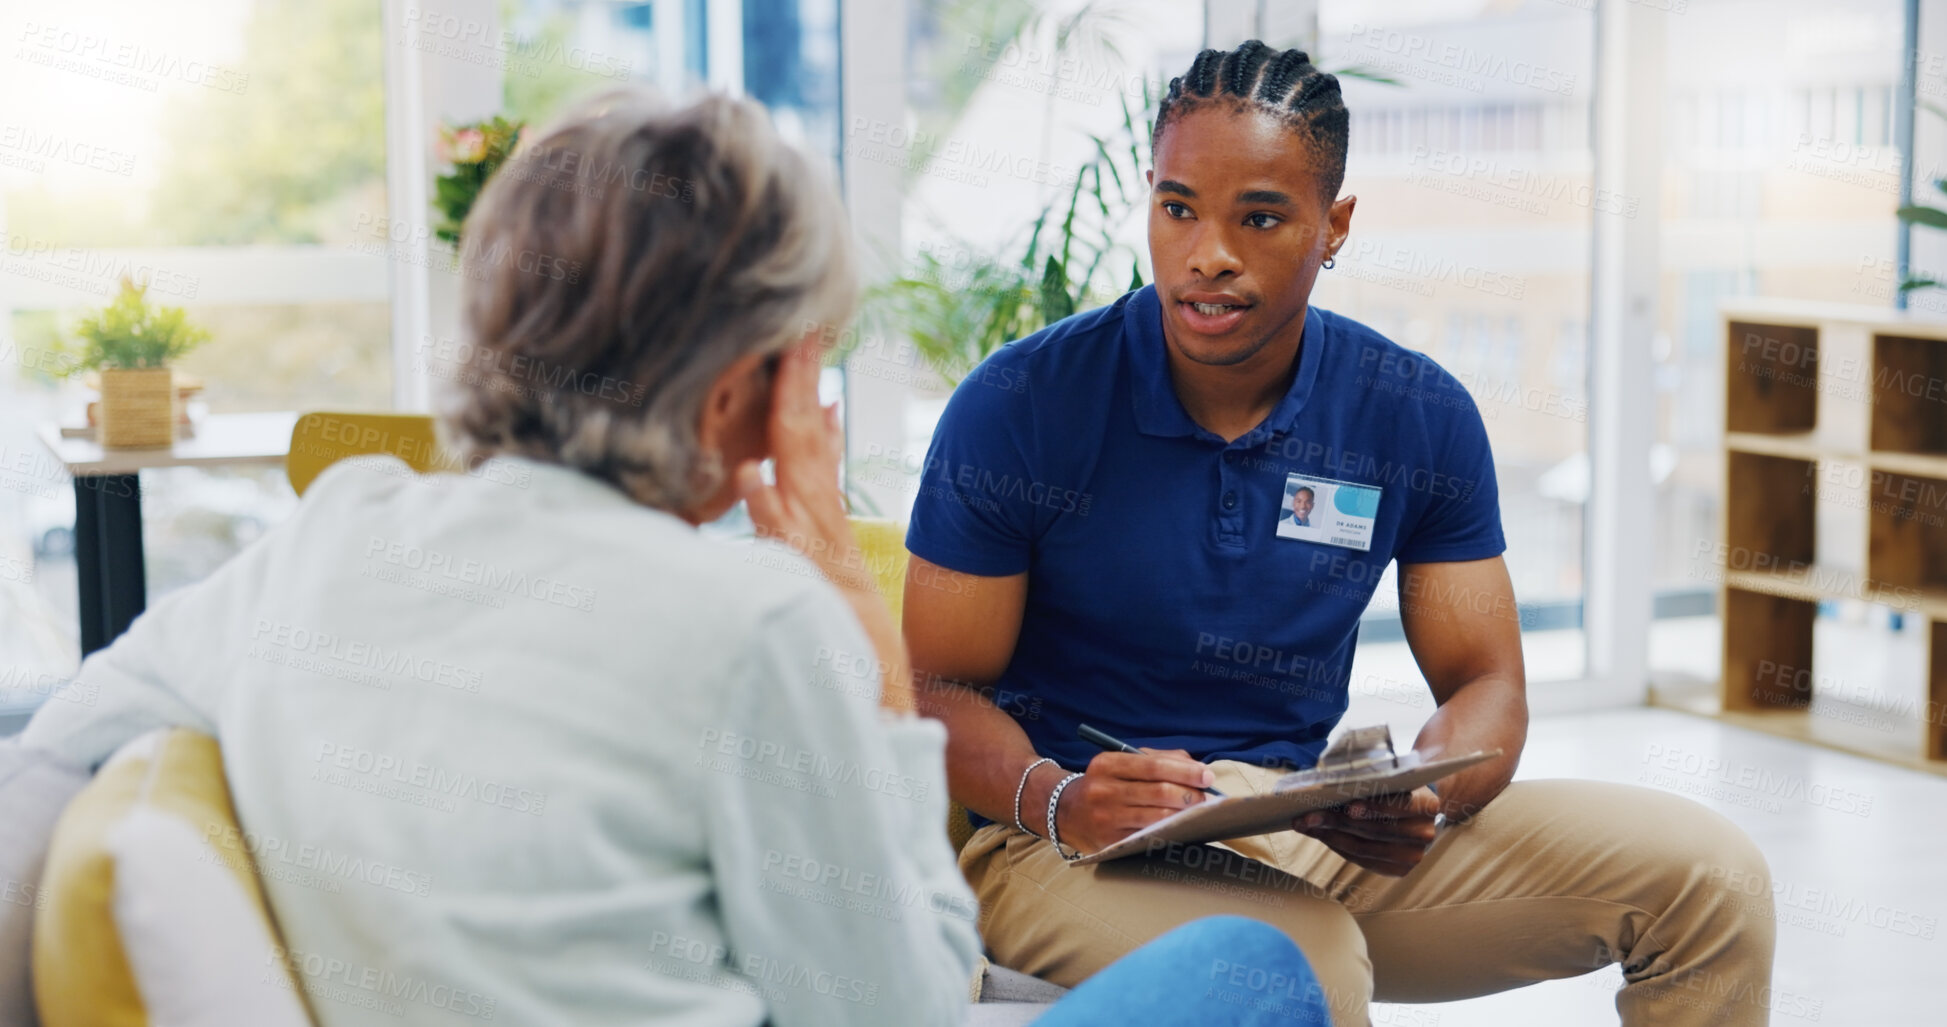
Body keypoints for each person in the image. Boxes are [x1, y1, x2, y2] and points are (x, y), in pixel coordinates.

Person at [19, 89, 1327, 1027]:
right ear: (741, 393)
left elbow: (49, 753)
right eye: (808, 360)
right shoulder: (747, 620)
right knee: (1255, 968)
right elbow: (902, 1002)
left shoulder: (332, 528)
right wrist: (873, 655)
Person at [904, 42, 1776, 1027]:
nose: (1208, 254)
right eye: (1178, 207)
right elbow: (935, 688)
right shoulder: (1020, 405)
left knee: (1715, 879)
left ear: (1335, 227)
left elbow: (1487, 686)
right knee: (1301, 963)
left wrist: (1421, 791)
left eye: (1261, 217)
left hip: (1301, 817)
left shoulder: (1413, 412)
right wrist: (1054, 799)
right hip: (1068, 842)